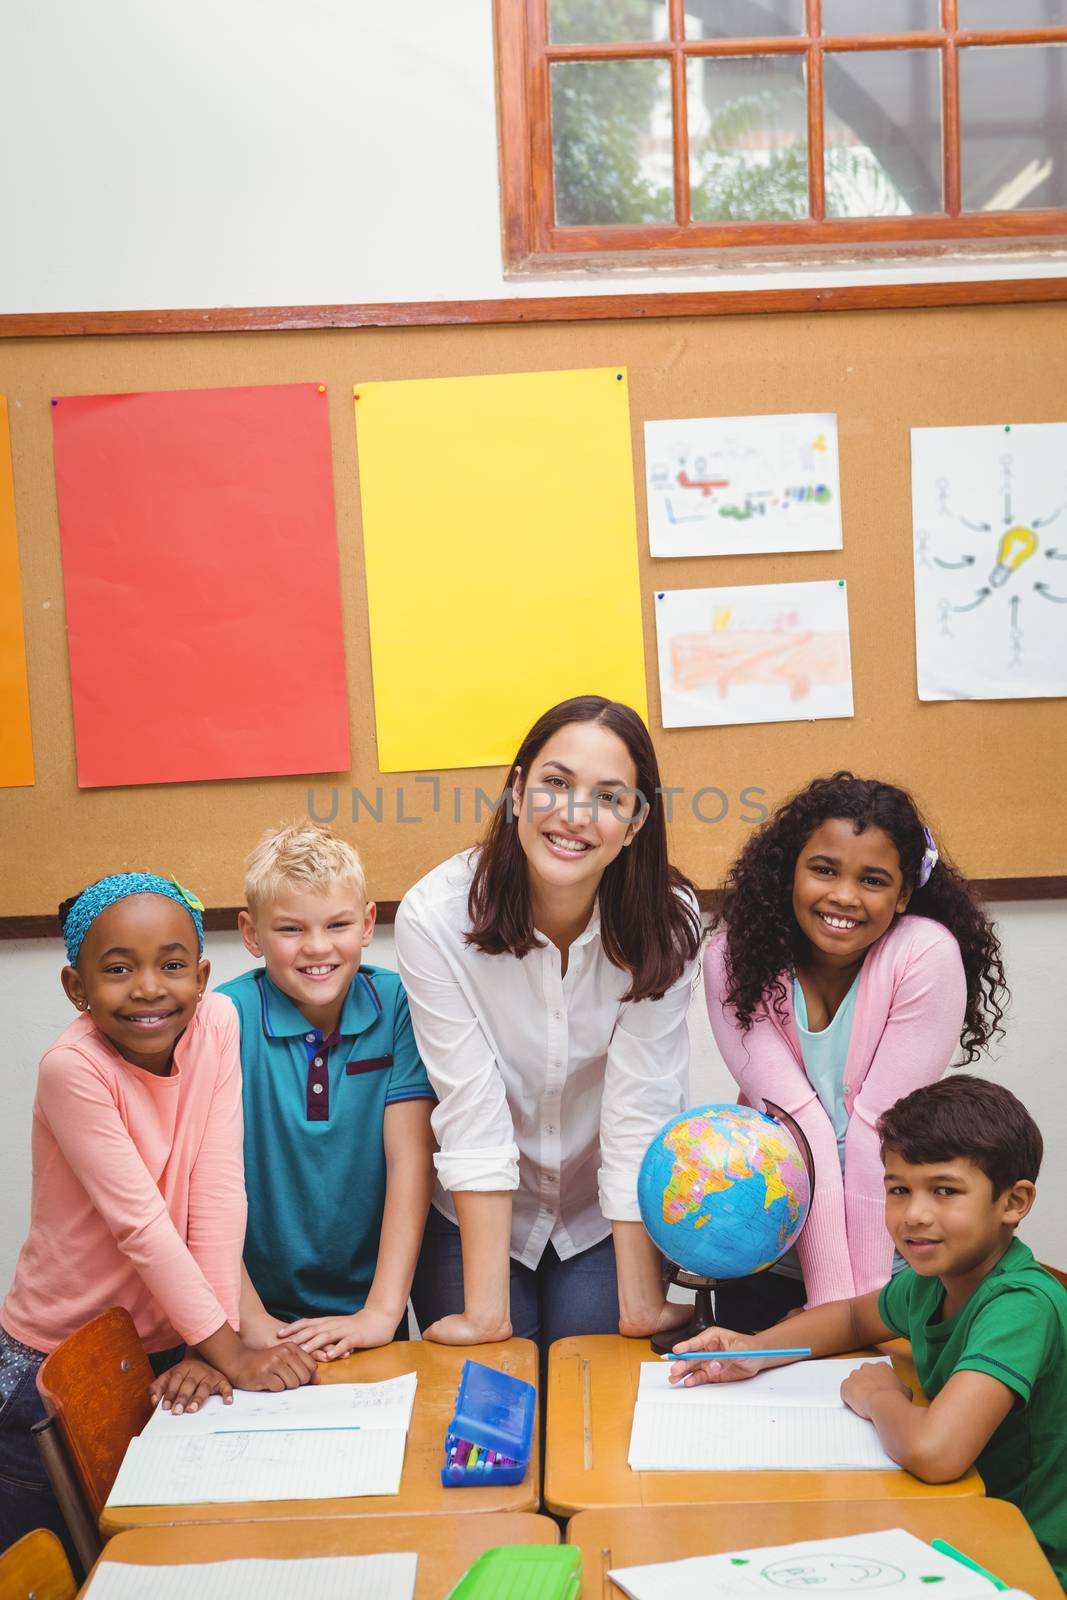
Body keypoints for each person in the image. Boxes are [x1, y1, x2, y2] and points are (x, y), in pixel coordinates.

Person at [0, 873, 317, 1559]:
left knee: (155, 1547)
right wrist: (231, 1353)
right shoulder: (72, 1069)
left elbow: (218, 1188)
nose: (148, 988)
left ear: (202, 976)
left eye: (172, 965)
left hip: (163, 1343)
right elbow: (141, 1226)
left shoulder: (217, 1025)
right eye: (118, 970)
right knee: (52, 1560)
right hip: (54, 1365)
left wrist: (210, 1346)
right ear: (76, 988)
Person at [668, 1076, 1067, 1587]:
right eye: (899, 1190)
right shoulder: (935, 1280)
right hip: (950, 1523)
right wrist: (757, 1349)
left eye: (945, 1191)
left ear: (1014, 1202)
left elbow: (935, 1452)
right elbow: (854, 1317)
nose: (914, 1215)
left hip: (1020, 1558)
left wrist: (881, 1397)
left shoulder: (1020, 1305)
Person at [397, 695, 703, 1358]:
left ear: (635, 821)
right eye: (555, 785)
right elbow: (469, 1105)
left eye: (607, 796)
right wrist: (485, 1315)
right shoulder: (434, 917)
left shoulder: (669, 921)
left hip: (600, 1216)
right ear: (516, 792)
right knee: (497, 1400)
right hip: (474, 1219)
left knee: (593, 1400)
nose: (572, 815)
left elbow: (639, 1104)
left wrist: (642, 1303)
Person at [704, 773, 1007, 1328]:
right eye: (823, 869)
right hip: (771, 1245)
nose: (843, 896)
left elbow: (876, 1129)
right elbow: (799, 1122)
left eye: (873, 880)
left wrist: (851, 1315)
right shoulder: (732, 956)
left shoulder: (924, 955)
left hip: (891, 1266)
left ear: (903, 894)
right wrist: (829, 1310)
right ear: (789, 870)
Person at [220, 823, 435, 1360]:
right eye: (291, 929)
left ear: (366, 924)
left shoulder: (399, 1006)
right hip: (248, 1316)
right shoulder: (223, 1020)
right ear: (251, 934)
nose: (317, 948)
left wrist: (382, 1314)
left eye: (337, 924)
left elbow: (411, 1159)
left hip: (366, 1315)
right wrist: (249, 1322)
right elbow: (203, 1185)